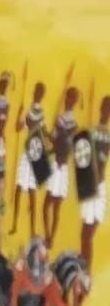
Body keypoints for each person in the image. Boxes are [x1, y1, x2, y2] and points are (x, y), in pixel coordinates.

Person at [43, 83, 80, 248]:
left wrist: (50, 136)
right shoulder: (67, 122)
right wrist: (50, 139)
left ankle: (50, 237)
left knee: (52, 207)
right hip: (59, 166)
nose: (68, 100)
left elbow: (63, 145)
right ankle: (49, 236)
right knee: (50, 206)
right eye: (68, 97)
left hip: (60, 167)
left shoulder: (67, 122)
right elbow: (59, 145)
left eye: (72, 98)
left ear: (74, 101)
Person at [77, 94, 110, 267]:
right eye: (105, 107)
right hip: (90, 184)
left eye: (109, 109)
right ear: (100, 108)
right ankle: (85, 270)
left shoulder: (106, 135)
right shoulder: (91, 131)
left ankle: (85, 270)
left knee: (87, 234)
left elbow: (100, 161)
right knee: (85, 234)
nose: (106, 111)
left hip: (99, 186)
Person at [13, 81, 50, 237]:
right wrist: (19, 115)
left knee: (32, 192)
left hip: (35, 152)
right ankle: (14, 224)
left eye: (40, 93)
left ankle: (32, 230)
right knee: (18, 190)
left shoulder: (41, 112)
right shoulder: (27, 109)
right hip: (26, 151)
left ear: (42, 95)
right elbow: (17, 128)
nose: (37, 94)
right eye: (37, 91)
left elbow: (44, 132)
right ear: (34, 92)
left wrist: (51, 139)